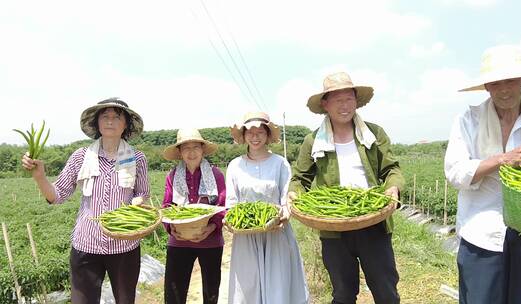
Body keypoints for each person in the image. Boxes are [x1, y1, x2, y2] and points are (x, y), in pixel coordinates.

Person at [288, 72, 404, 304]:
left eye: (349, 99)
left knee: (386, 291)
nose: (345, 106)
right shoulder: (313, 141)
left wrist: (393, 189)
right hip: (334, 230)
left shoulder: (373, 134)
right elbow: (300, 178)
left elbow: (392, 170)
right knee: (342, 294)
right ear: (325, 104)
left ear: (356, 101)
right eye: (338, 100)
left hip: (373, 223)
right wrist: (294, 193)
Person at [21, 98, 149, 304]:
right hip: (86, 245)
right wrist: (40, 177)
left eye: (117, 117)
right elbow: (57, 195)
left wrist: (139, 202)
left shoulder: (138, 158)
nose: (110, 121)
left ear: (126, 124)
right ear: (97, 123)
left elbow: (142, 193)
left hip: (125, 245)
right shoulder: (81, 156)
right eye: (105, 116)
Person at [445, 45, 521, 304]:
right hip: (482, 236)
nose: (504, 90)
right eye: (496, 83)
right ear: (487, 87)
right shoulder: (469, 121)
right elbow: (455, 172)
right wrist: (501, 160)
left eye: (510, 81)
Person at [225, 112, 309, 304]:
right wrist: (229, 218)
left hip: (276, 233)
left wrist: (283, 216)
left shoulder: (280, 163)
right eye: (250, 132)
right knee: (247, 288)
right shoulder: (235, 166)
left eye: (260, 132)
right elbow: (231, 202)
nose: (255, 137)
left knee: (278, 286)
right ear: (244, 135)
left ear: (268, 135)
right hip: (245, 235)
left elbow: (286, 199)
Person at [161, 128, 226, 304]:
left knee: (210, 292)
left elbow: (222, 207)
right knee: (174, 293)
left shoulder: (216, 175)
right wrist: (171, 229)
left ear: (202, 150)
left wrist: (211, 227)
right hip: (179, 241)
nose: (191, 152)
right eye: (186, 148)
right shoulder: (173, 176)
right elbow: (166, 206)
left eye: (196, 147)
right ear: (180, 153)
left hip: (210, 241)